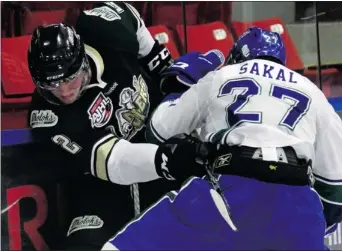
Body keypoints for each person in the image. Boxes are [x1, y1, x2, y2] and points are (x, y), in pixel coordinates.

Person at [102, 27, 342, 250]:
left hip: (231, 188)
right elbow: (339, 188)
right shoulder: (313, 92)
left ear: (236, 57)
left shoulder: (221, 76)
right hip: (299, 206)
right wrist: (312, 224)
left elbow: (158, 130)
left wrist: (180, 86)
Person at [26, 1, 224, 249]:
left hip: (161, 163)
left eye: (69, 78)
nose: (64, 92)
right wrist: (167, 159)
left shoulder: (103, 30)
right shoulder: (47, 115)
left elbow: (129, 15)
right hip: (104, 190)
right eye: (52, 86)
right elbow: (115, 160)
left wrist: (157, 62)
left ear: (82, 59)